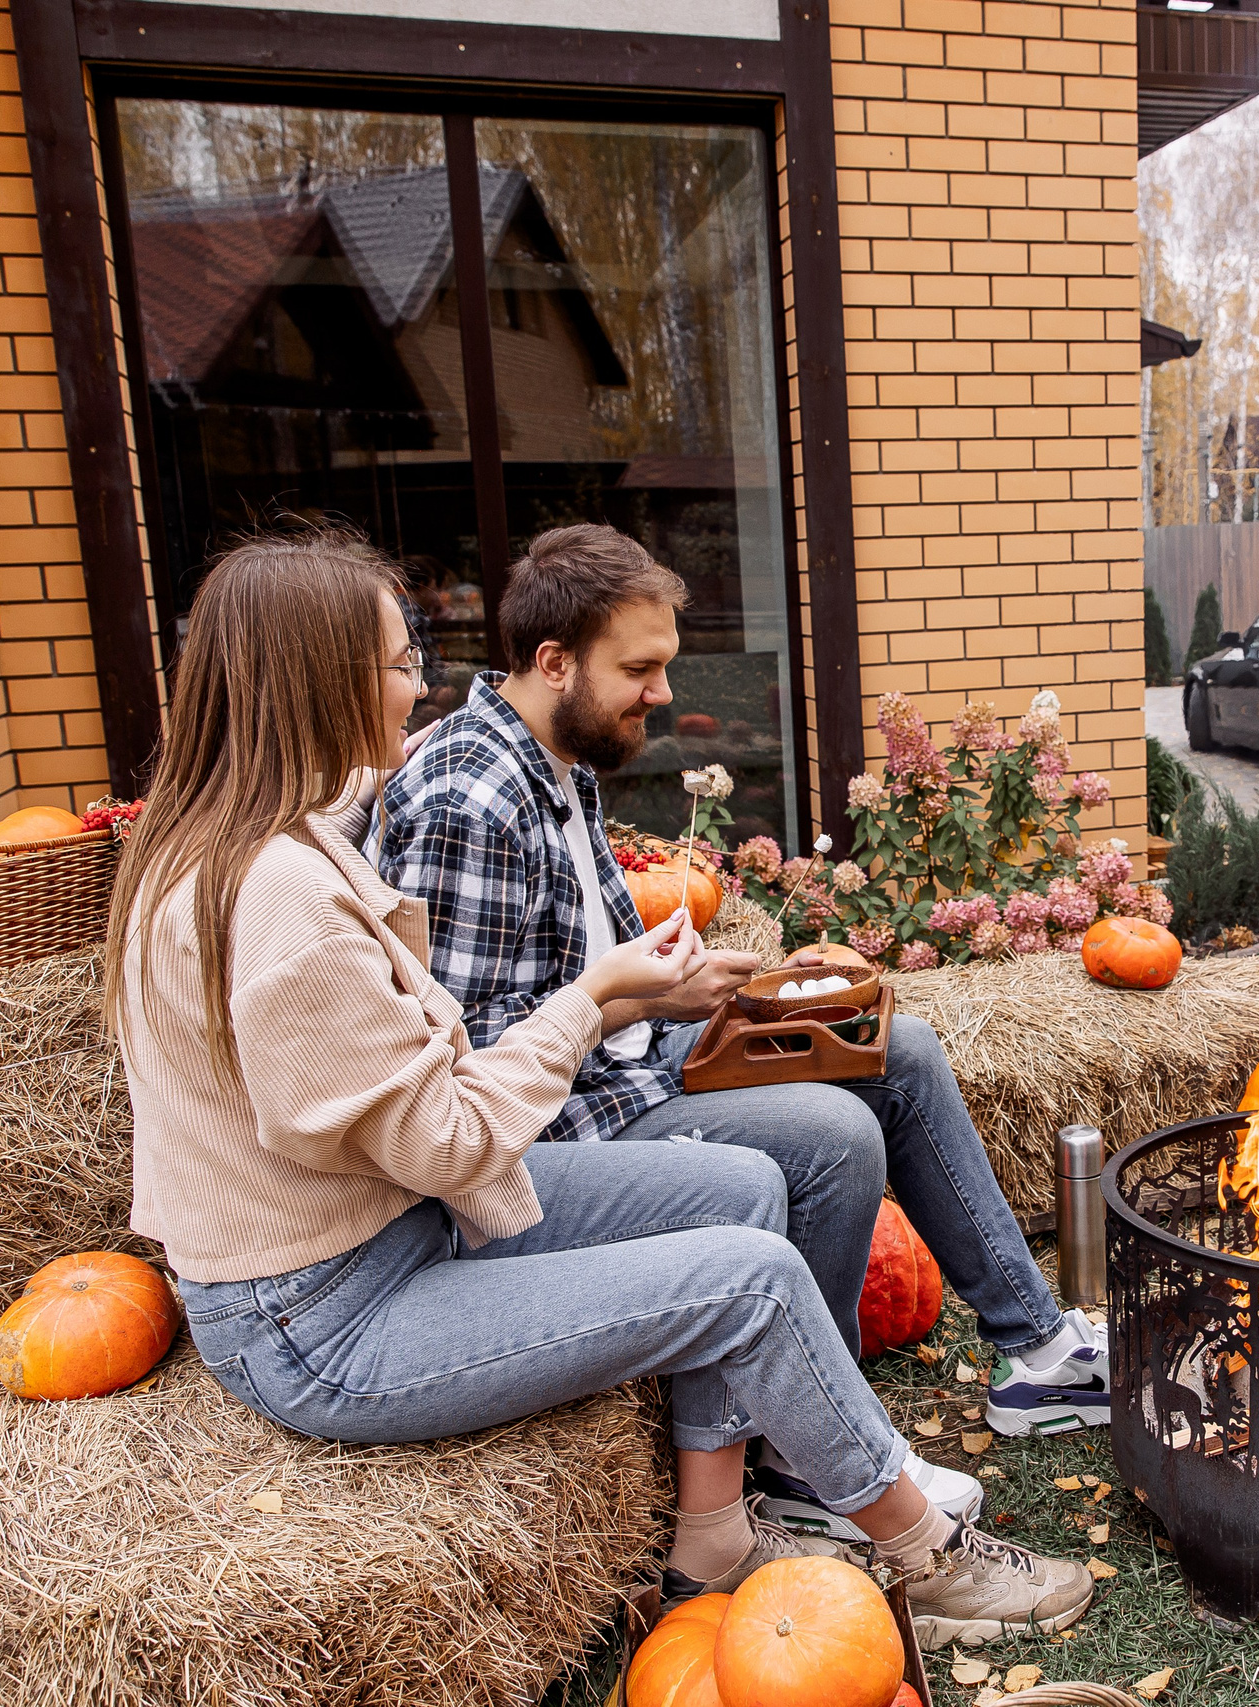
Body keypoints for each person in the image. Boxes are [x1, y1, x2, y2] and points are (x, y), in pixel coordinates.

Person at [109, 528, 1091, 1645]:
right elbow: (445, 1141)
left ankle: (714, 1534)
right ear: (313, 680)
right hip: (326, 1312)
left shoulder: (256, 843)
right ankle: (922, 1551)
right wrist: (595, 1002)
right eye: (391, 664)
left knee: (740, 1191)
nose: (416, 687)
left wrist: (646, 995)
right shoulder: (283, 888)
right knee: (754, 1274)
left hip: (388, 1231)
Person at [372, 524, 1109, 1536]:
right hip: (552, 1128)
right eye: (639, 668)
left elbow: (602, 975)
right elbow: (473, 1060)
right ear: (552, 663)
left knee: (896, 1046)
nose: (663, 694)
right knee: (833, 1138)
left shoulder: (557, 758)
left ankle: (1040, 1356)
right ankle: (807, 1449)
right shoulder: (471, 799)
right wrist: (645, 1004)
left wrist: (747, 992)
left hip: (619, 1060)